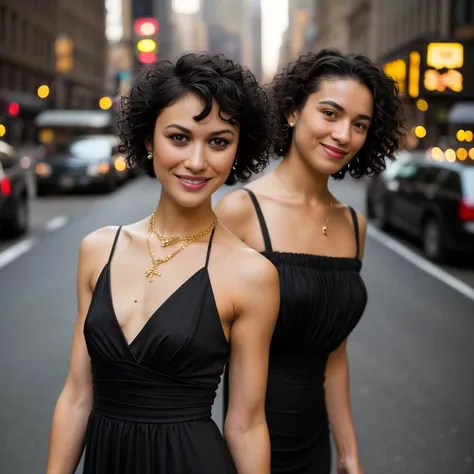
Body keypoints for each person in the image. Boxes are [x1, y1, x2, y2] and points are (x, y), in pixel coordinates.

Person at [45, 52, 280, 474]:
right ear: (149, 141)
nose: (196, 161)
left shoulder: (252, 275)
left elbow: (246, 424)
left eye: (218, 142)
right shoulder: (98, 249)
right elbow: (78, 395)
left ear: (237, 151)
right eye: (178, 137)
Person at [216, 49, 406, 474]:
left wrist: (350, 453)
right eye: (330, 113)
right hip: (247, 446)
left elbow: (333, 354)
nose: (343, 135)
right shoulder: (240, 211)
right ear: (291, 113)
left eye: (360, 124)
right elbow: (200, 348)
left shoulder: (354, 225)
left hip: (314, 445)